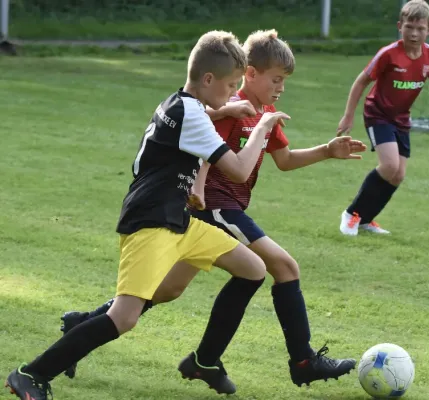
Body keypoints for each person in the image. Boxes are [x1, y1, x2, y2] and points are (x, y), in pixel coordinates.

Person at [59, 29, 364, 392]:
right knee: (283, 267)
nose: (281, 88)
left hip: (223, 210)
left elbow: (283, 160)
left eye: (285, 81)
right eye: (276, 79)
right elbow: (202, 143)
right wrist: (200, 185)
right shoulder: (225, 104)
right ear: (250, 73)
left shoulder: (264, 112)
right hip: (217, 208)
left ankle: (85, 323)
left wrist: (327, 151)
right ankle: (303, 361)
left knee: (165, 289)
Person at [5, 30, 291, 399]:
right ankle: (31, 374)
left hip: (179, 220)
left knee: (252, 269)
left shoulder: (179, 103)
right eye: (231, 85)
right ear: (208, 79)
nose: (233, 92)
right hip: (152, 221)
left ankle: (206, 360)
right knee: (123, 317)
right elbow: (237, 168)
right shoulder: (193, 117)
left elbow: (200, 114)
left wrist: (225, 109)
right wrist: (263, 127)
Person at [337, 0, 429, 236]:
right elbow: (361, 81)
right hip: (377, 113)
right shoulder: (389, 54)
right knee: (389, 166)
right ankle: (351, 214)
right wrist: (348, 115)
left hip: (401, 119)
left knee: (398, 175)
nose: (414, 33)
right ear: (400, 26)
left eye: (420, 28)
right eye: (410, 27)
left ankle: (366, 220)